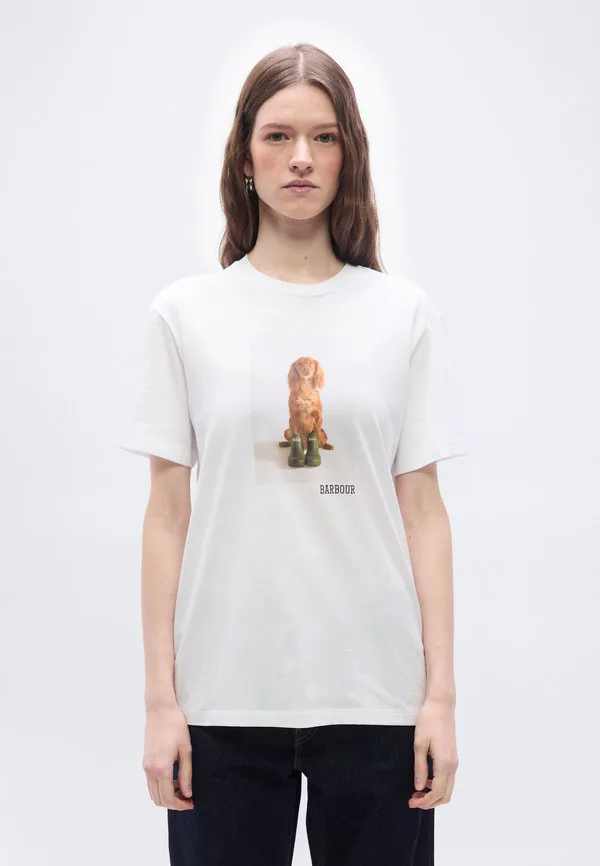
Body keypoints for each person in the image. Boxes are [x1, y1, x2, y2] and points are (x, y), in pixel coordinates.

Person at [116, 41, 468, 866]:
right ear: (244, 157)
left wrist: (440, 701)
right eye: (278, 136)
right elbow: (167, 516)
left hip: (376, 697)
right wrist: (161, 702)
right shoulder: (186, 315)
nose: (301, 158)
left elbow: (424, 514)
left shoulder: (402, 314)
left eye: (324, 136)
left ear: (350, 155)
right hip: (223, 699)